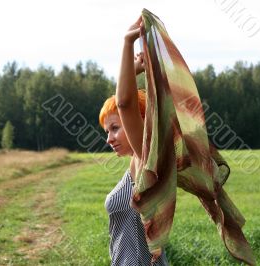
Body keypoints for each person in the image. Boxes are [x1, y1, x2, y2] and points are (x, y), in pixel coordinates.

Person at [99, 17, 169, 266]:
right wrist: (134, 70)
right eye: (107, 131)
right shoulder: (135, 166)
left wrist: (127, 43)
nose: (109, 138)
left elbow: (125, 102)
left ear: (138, 121)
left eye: (115, 128)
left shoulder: (146, 157)